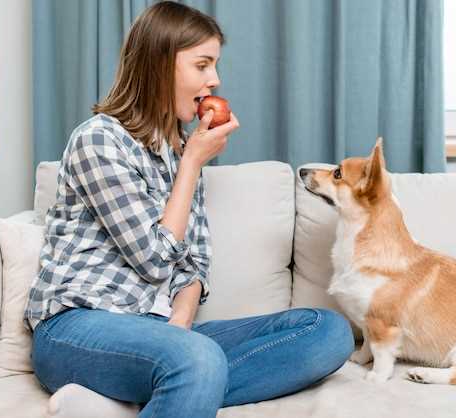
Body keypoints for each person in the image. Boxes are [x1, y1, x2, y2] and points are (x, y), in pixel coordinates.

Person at [24, 2, 354, 417]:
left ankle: (131, 399)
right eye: (202, 65)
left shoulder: (177, 149)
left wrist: (179, 325)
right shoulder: (99, 140)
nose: (214, 79)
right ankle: (178, 378)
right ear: (160, 64)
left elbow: (192, 263)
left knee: (327, 332)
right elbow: (155, 259)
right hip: (77, 328)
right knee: (197, 359)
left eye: (214, 66)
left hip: (158, 332)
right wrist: (192, 165)